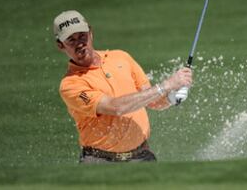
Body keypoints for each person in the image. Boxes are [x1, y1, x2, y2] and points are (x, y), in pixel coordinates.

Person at [53, 10, 192, 163]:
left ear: (91, 33)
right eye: (71, 40)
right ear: (60, 45)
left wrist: (171, 98)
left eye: (82, 36)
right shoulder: (70, 85)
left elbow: (151, 100)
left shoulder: (121, 57)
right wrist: (167, 85)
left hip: (142, 156)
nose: (79, 43)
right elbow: (115, 108)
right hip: (99, 161)